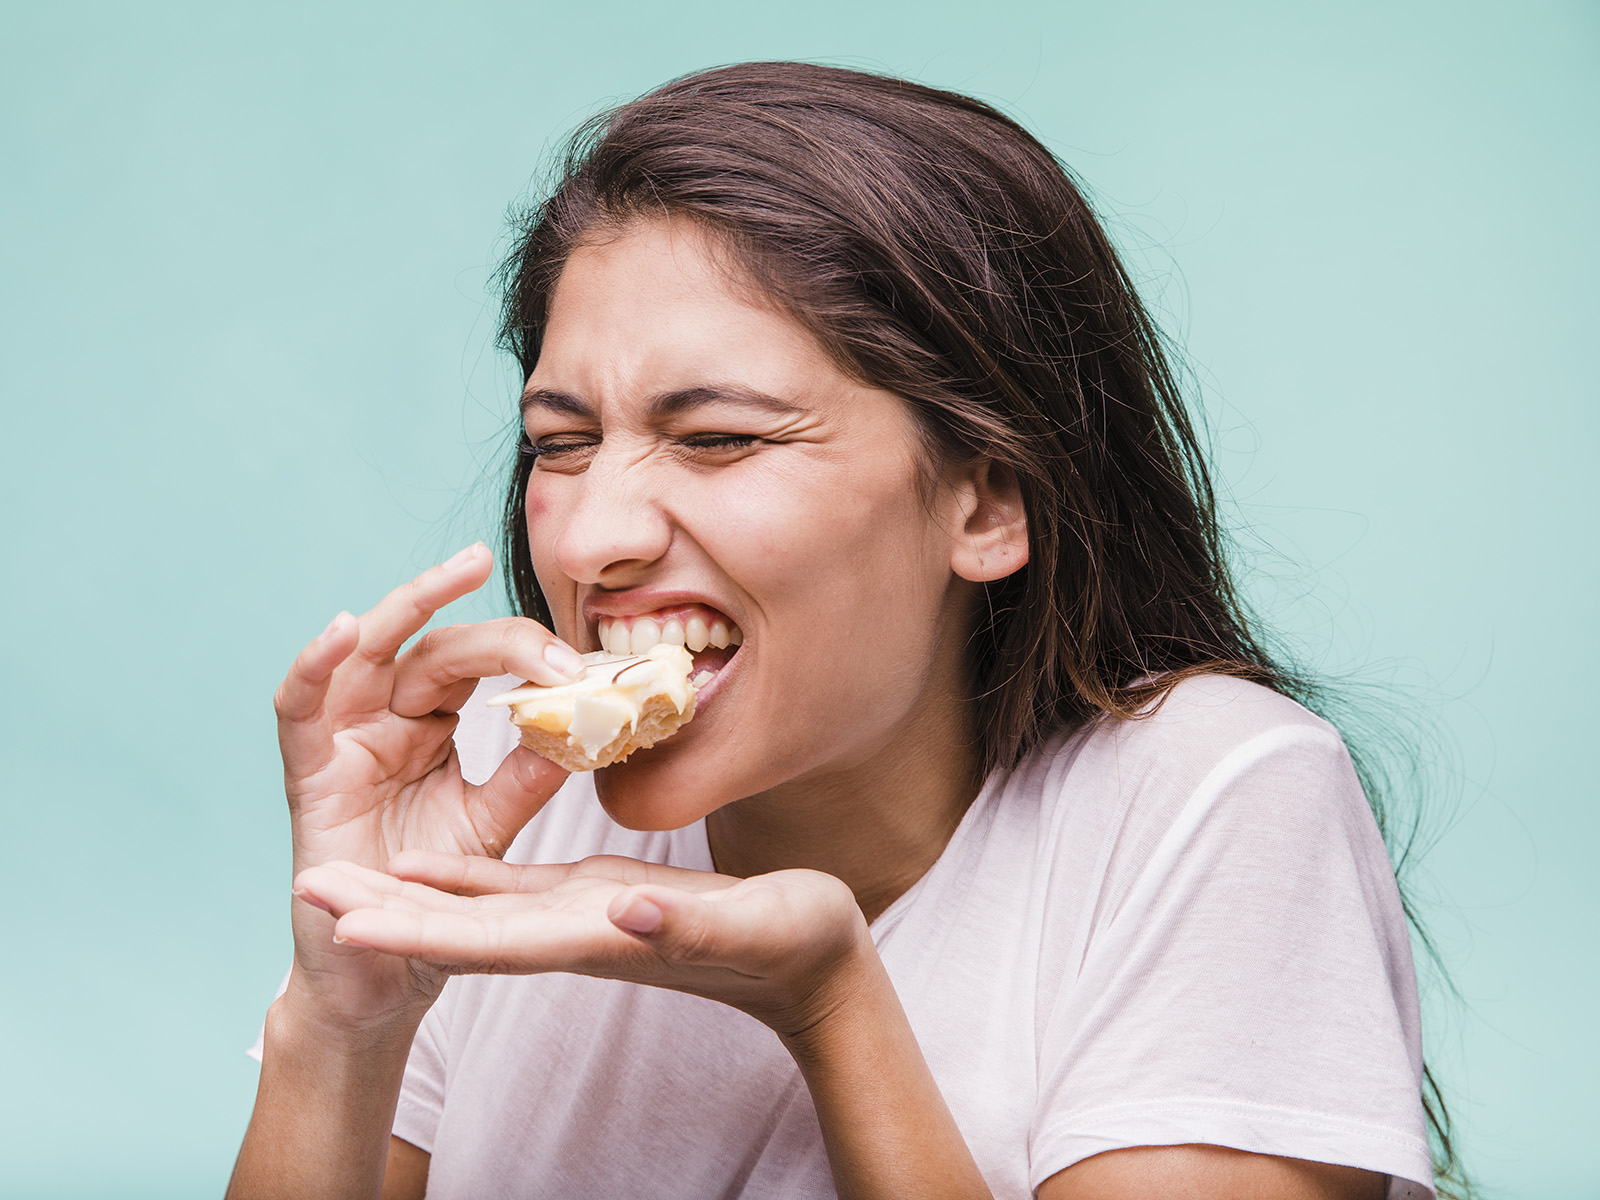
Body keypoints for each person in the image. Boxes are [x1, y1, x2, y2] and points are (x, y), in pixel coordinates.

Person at [229, 62, 1445, 1199]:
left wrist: (830, 1005)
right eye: (561, 442)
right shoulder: (511, 789)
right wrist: (347, 1010)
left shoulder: (1213, 790)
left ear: (984, 499)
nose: (592, 538)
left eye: (718, 438)